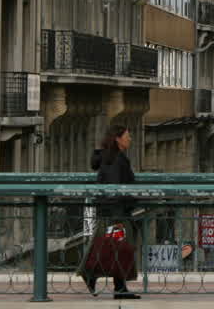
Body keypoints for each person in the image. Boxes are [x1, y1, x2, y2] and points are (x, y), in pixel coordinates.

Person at [83, 125, 141, 300]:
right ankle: (92, 274)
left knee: (116, 248)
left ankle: (119, 287)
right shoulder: (116, 160)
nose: (129, 139)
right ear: (118, 138)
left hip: (113, 210)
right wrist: (120, 212)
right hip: (116, 211)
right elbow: (115, 188)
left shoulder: (112, 158)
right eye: (127, 136)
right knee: (119, 247)